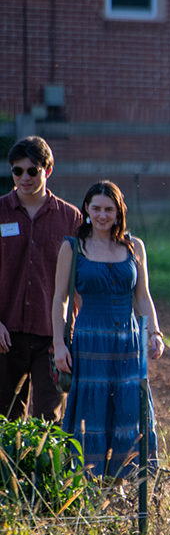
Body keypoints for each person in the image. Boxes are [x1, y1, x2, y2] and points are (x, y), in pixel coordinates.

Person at [51, 181, 164, 478]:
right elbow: (60, 299)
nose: (102, 215)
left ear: (118, 212)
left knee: (129, 412)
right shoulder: (72, 247)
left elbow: (142, 295)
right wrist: (59, 344)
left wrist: (154, 332)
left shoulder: (133, 246)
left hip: (129, 341)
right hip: (89, 341)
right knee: (92, 415)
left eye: (109, 209)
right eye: (96, 208)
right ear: (86, 209)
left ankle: (126, 486)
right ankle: (87, 485)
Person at [1, 137, 82, 420]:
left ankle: (46, 467)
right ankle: (10, 467)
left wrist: (77, 329)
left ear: (48, 170)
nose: (24, 177)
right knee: (6, 417)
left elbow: (79, 279)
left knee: (51, 417)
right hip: (6, 334)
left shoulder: (71, 218)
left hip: (53, 336)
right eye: (17, 170)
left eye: (32, 170)